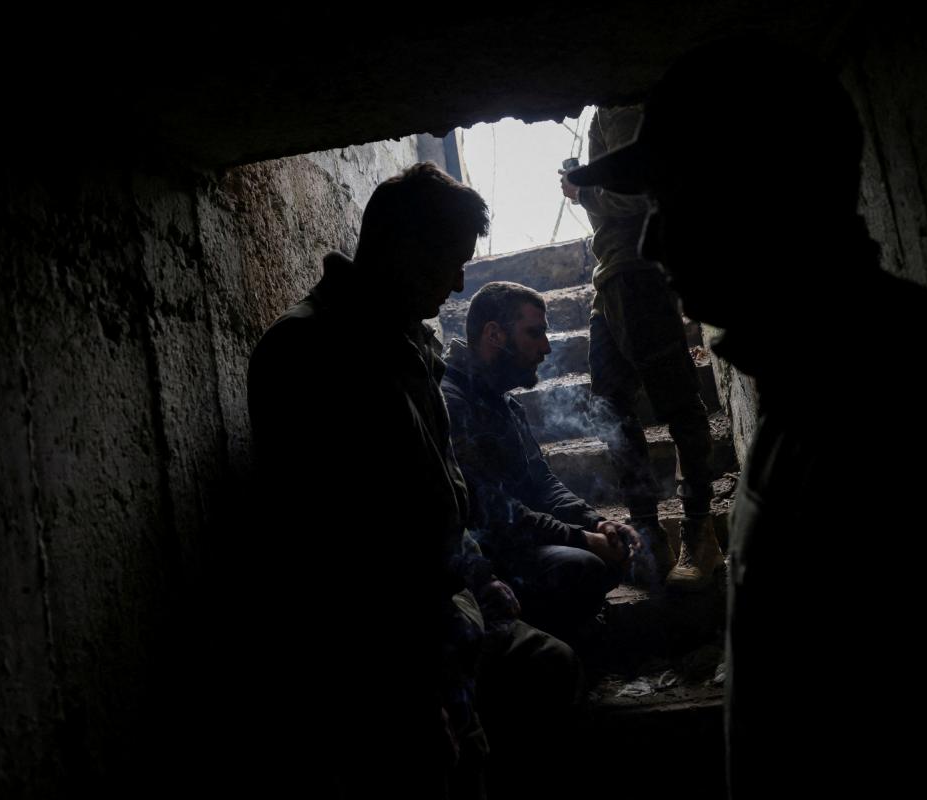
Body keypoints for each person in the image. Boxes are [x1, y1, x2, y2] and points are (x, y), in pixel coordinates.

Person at [567, 39, 927, 796]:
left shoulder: (900, 413)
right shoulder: (826, 380)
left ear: (761, 195)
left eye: (673, 200)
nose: (653, 240)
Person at [246, 161, 500, 796]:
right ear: (404, 250)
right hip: (384, 670)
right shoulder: (308, 350)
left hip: (437, 637)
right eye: (450, 262)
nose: (459, 282)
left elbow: (434, 493)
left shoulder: (406, 341)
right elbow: (330, 554)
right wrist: (407, 693)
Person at [560, 105, 720, 590]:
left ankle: (699, 533)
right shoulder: (603, 112)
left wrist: (583, 191)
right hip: (609, 277)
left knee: (679, 405)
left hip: (637, 272)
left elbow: (643, 192)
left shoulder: (623, 105)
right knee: (611, 411)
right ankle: (649, 535)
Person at [441, 281, 639, 642]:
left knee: (613, 553)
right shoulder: (451, 402)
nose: (546, 347)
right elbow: (492, 512)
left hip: (521, 539)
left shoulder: (505, 402)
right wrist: (581, 539)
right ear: (494, 334)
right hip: (484, 558)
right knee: (584, 566)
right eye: (534, 333)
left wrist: (596, 522)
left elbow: (542, 483)